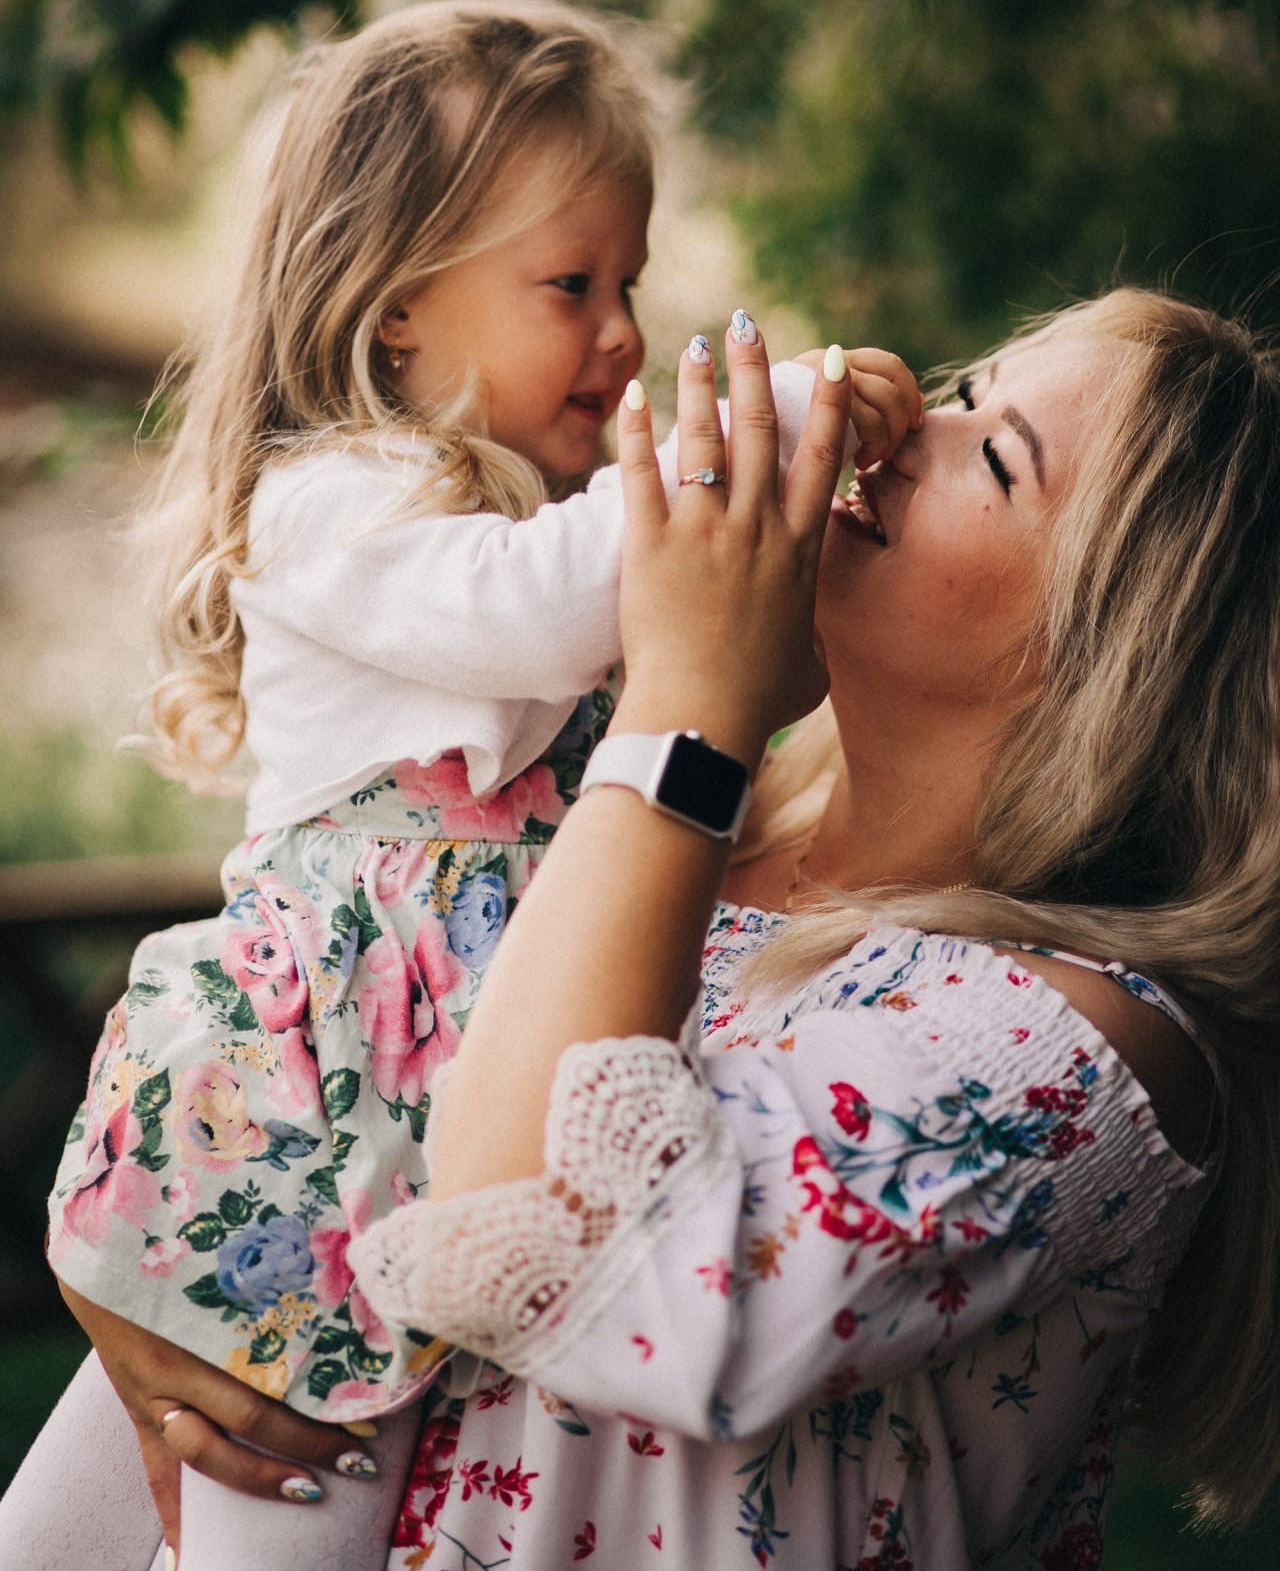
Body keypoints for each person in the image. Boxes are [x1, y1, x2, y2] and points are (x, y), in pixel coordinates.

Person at [26, 285, 1280, 1571]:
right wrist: (126, 1241)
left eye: (998, 455)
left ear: (1115, 656)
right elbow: (290, 978)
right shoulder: (641, 826)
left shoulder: (1082, 1051)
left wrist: (686, 701)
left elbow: (535, 1242)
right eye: (966, 397)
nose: (901, 426)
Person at [8, 0, 922, 1570]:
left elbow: (709, 678)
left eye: (627, 281)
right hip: (305, 1130)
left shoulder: (507, 519)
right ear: (393, 314)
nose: (625, 330)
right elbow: (557, 599)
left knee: (90, 1520)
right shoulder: (338, 510)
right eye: (572, 284)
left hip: (404, 1121)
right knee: (262, 1504)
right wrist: (774, 414)